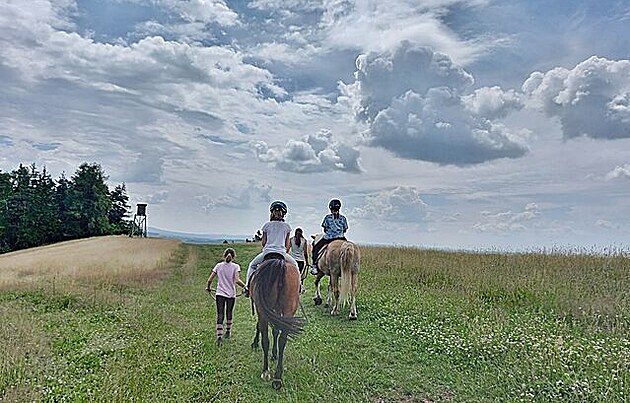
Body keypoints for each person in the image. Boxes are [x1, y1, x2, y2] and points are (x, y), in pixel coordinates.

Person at [243, 200, 300, 296]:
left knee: (252, 265)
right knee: (295, 266)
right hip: (281, 254)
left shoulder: (266, 225)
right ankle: (299, 286)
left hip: (267, 253)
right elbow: (287, 245)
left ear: (272, 213)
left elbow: (264, 243)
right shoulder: (287, 227)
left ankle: (247, 287)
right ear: (283, 214)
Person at [206, 247, 245, 346]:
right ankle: (228, 332)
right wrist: (246, 287)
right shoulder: (236, 267)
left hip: (220, 293)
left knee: (220, 314)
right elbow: (236, 280)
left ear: (224, 255)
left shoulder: (218, 266)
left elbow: (210, 279)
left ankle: (219, 336)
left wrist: (209, 288)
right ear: (233, 257)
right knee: (229, 312)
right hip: (231, 294)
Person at [311, 198, 348, 275]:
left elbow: (325, 229)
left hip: (329, 238)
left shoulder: (327, 218)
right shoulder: (343, 218)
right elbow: (345, 229)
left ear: (330, 208)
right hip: (341, 238)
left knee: (316, 248)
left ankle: (314, 266)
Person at [289, 227, 309, 293]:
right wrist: (307, 262)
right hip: (301, 261)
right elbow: (305, 253)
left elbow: (287, 249)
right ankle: (299, 287)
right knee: (299, 275)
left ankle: (292, 287)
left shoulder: (291, 239)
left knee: (292, 275)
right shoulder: (304, 241)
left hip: (292, 260)